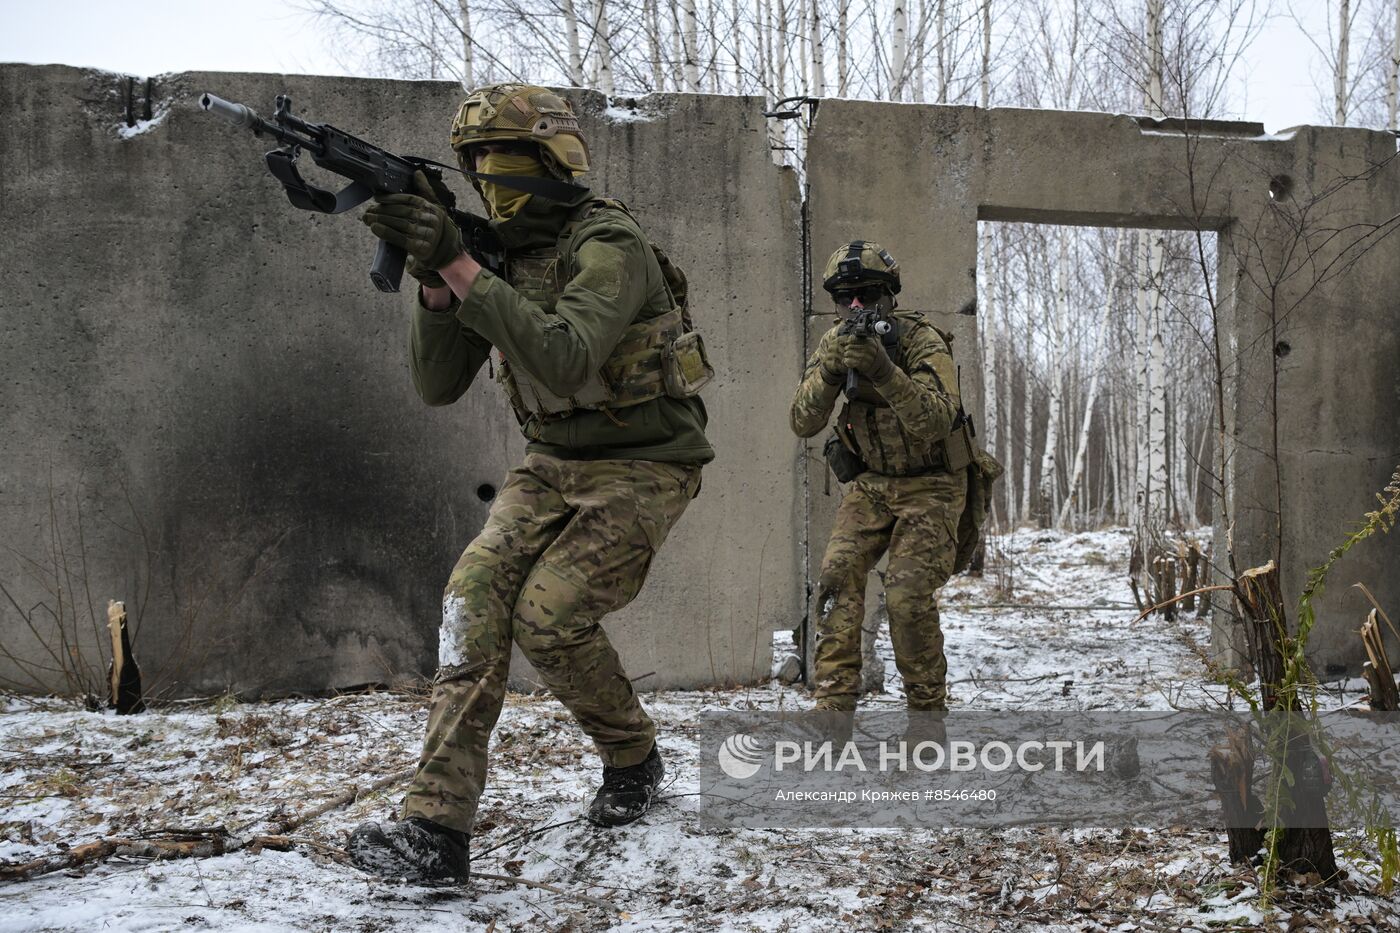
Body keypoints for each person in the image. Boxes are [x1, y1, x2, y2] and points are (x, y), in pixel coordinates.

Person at [346, 83, 715, 883]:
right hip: (551, 460)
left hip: (647, 461)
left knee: (549, 615)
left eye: (503, 158)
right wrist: (438, 287)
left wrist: (457, 259)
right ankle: (434, 831)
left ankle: (632, 757)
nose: (487, 175)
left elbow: (566, 354)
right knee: (471, 598)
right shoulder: (496, 255)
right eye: (474, 162)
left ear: (553, 158)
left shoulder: (608, 240)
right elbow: (437, 383)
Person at [790, 241, 972, 714]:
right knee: (835, 578)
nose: (855, 306)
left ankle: (927, 715)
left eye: (867, 295)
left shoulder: (920, 340)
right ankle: (833, 707)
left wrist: (884, 371)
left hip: (931, 483)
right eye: (844, 297)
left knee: (907, 596)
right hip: (873, 483)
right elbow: (802, 422)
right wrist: (832, 368)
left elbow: (935, 421)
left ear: (889, 296)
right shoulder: (835, 343)